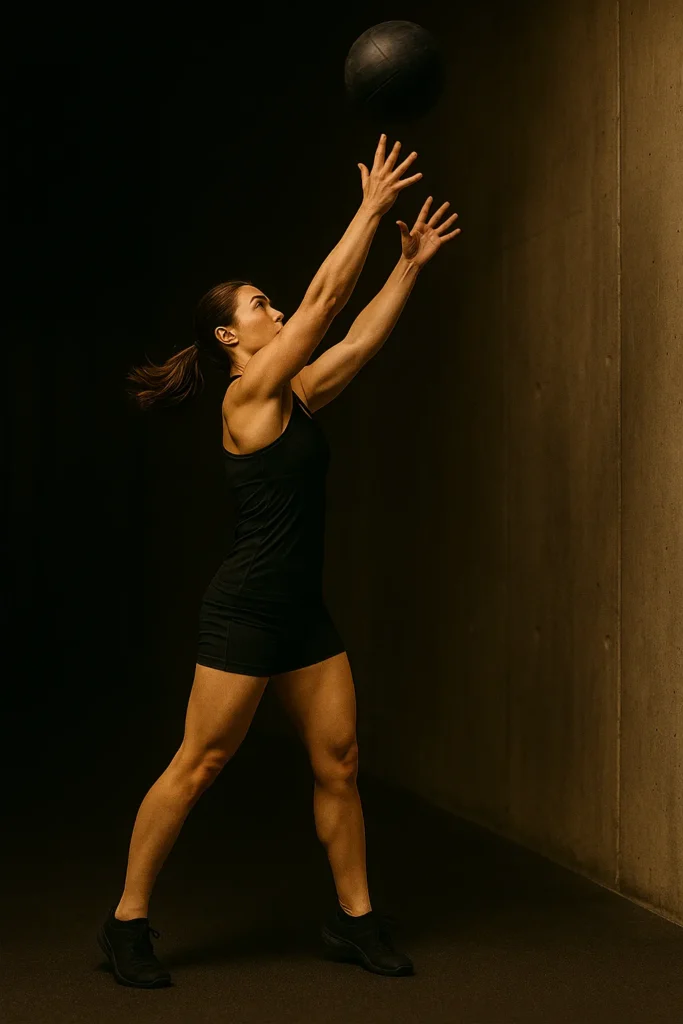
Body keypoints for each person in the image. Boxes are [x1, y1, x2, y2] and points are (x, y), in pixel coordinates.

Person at [98, 134, 461, 988]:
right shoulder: (248, 394)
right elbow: (330, 300)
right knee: (201, 762)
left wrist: (406, 265)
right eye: (262, 303)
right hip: (249, 606)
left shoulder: (293, 394)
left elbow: (357, 341)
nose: (278, 307)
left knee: (338, 761)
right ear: (231, 334)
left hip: (302, 609)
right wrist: (371, 210)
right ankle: (126, 925)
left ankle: (354, 919)